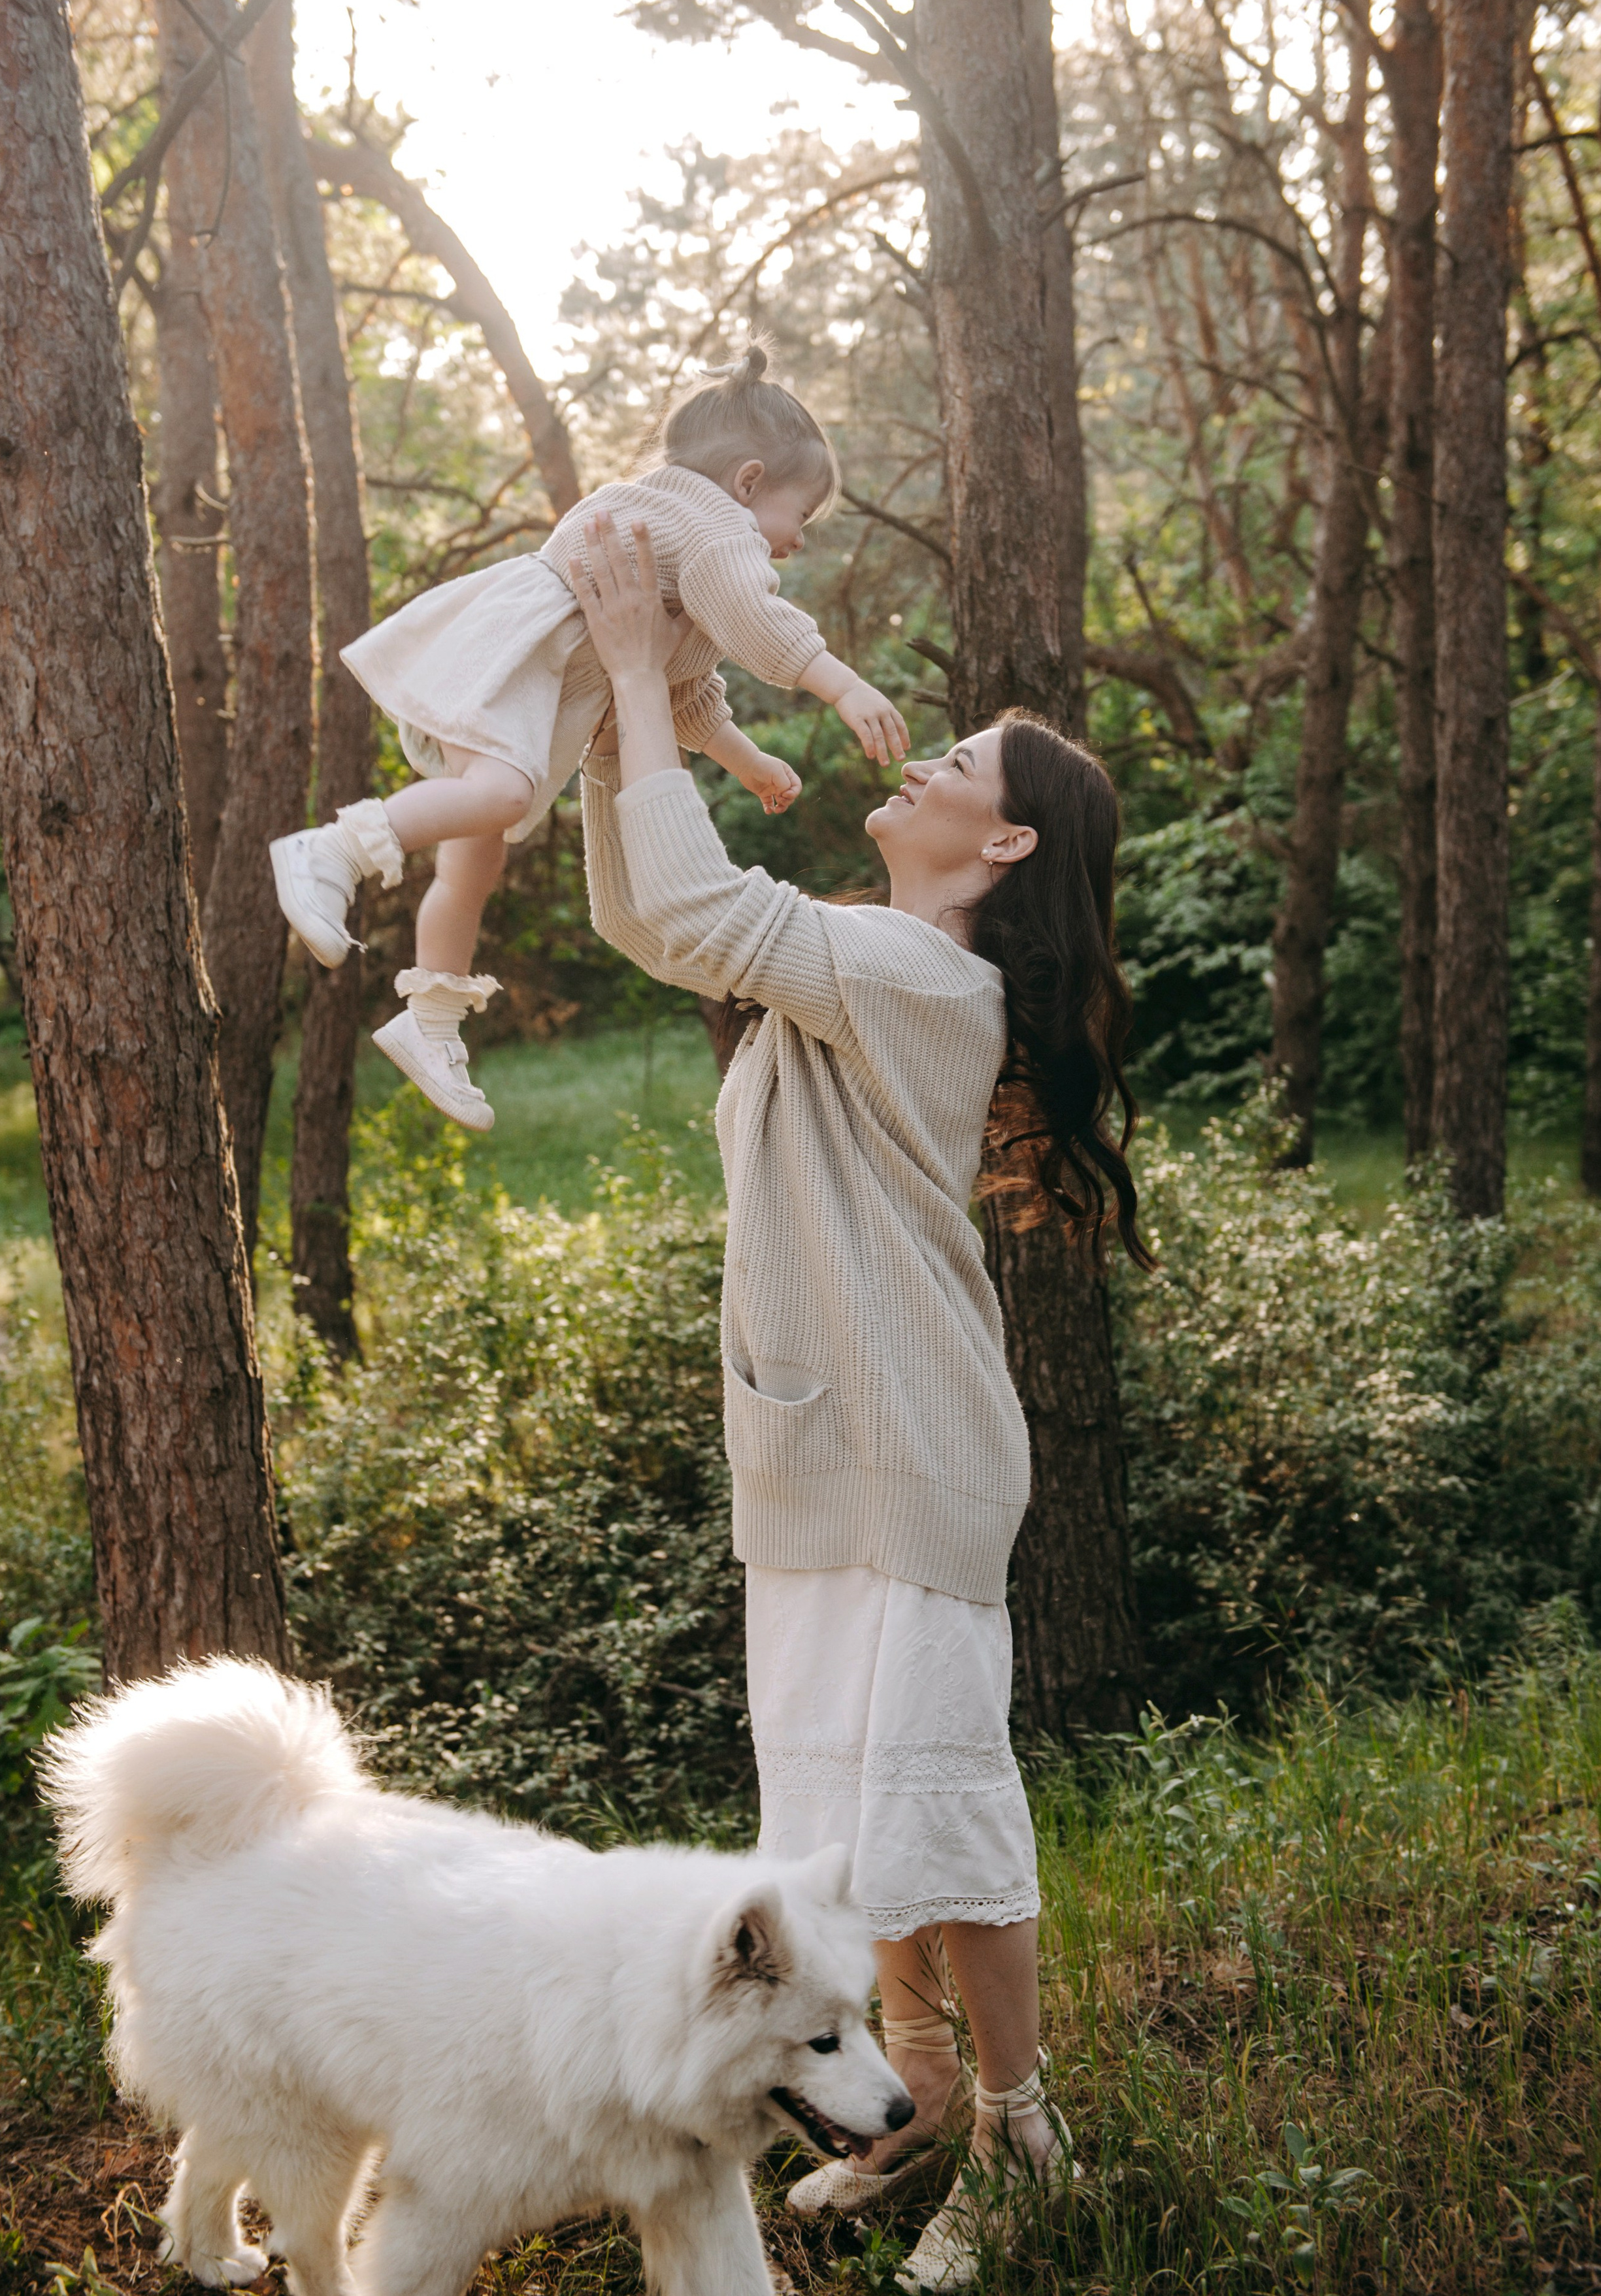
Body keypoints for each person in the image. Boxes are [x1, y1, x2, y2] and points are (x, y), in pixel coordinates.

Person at [569, 511, 1153, 2295]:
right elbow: (643, 914)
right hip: (821, 1453)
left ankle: (1025, 2136)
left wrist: (632, 670)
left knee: (942, 1821)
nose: (920, 761)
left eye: (959, 763)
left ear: (1006, 839)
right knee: (847, 1828)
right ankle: (913, 2105)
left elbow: (691, 904)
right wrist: (620, 723)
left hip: (912, 1462)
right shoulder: (854, 950)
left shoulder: (919, 975)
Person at [268, 344, 907, 1130]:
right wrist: (843, 685)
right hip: (515, 664)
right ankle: (330, 852)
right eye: (799, 516)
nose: (796, 542)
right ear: (747, 482)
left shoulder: (667, 532)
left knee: (476, 856)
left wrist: (747, 762)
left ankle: (431, 1019)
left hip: (505, 664)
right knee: (501, 797)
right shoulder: (714, 527)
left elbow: (680, 688)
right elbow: (755, 616)